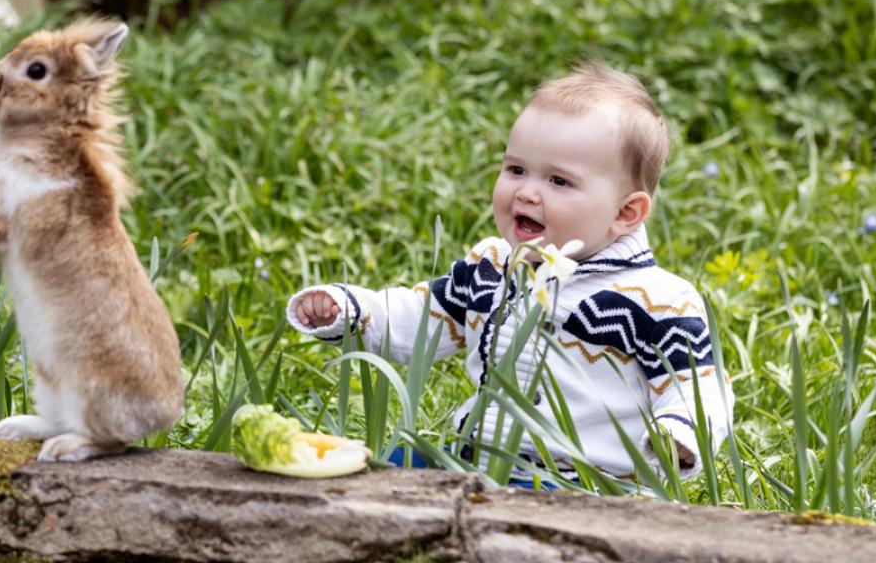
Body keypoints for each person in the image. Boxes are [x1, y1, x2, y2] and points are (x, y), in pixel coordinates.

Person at [286, 61, 731, 482]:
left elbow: (699, 388)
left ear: (626, 212)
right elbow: (420, 319)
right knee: (391, 472)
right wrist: (349, 311)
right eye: (516, 169)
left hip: (587, 485)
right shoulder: (493, 268)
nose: (527, 192)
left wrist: (680, 434)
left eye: (558, 181)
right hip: (472, 462)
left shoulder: (656, 302)